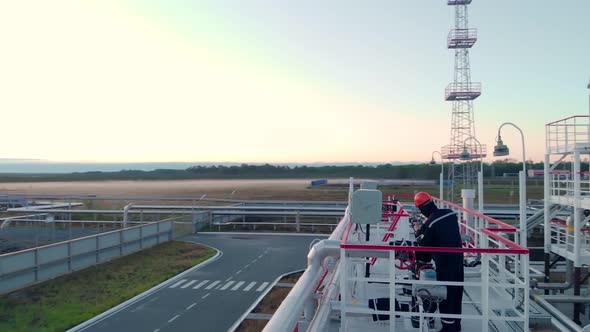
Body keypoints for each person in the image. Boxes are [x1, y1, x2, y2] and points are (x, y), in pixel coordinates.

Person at [413, 192, 464, 332]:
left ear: (421, 208)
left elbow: (422, 243)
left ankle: (448, 327)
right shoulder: (449, 213)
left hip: (444, 263)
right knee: (457, 292)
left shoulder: (430, 223)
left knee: (445, 294)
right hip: (458, 259)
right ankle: (456, 325)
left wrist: (417, 230)